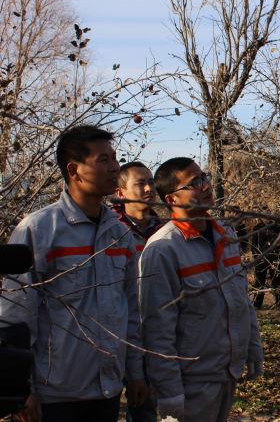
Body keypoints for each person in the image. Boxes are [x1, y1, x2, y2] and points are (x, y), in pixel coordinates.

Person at [0, 125, 147, 422]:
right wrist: (20, 388)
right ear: (74, 170)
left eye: (115, 158)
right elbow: (15, 314)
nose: (114, 167)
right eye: (103, 160)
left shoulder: (120, 235)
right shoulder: (39, 230)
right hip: (53, 394)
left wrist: (135, 373)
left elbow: (130, 309)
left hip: (107, 390)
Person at [138, 157, 264, 422]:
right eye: (194, 183)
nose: (205, 186)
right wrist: (169, 392)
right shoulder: (163, 250)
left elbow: (242, 299)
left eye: (203, 177)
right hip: (190, 382)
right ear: (172, 199)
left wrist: (252, 347)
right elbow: (157, 328)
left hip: (226, 373)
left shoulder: (226, 235)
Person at [114, 161, 162, 422]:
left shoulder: (164, 230)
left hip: (156, 336)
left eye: (151, 182)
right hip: (118, 334)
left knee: (147, 410)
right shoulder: (110, 231)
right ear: (121, 193)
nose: (148, 188)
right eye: (140, 183)